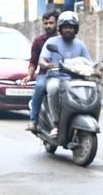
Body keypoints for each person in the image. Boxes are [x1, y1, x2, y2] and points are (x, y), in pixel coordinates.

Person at [37, 11, 92, 140]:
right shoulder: (52, 42)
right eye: (65, 27)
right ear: (60, 29)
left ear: (76, 29)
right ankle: (56, 124)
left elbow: (88, 62)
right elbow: (42, 59)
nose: (68, 30)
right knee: (52, 88)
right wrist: (47, 65)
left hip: (75, 79)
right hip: (56, 77)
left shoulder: (81, 45)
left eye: (71, 27)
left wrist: (96, 70)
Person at [25, 9, 60, 132]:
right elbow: (33, 61)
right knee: (39, 87)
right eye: (46, 23)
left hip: (65, 75)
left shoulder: (65, 39)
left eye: (51, 23)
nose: (48, 26)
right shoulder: (38, 41)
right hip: (45, 74)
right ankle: (33, 121)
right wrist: (29, 75)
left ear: (57, 23)